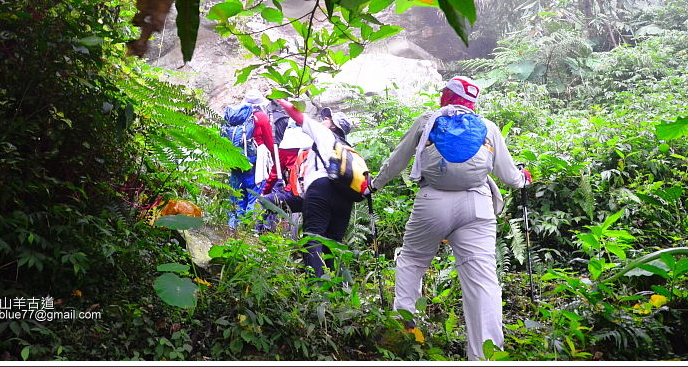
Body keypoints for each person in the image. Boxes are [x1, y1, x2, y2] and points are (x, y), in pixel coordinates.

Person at [369, 75, 531, 361]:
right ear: (473, 102)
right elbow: (509, 176)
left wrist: (373, 185)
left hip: (433, 201)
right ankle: (486, 356)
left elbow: (398, 160)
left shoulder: (427, 121)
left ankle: (407, 337)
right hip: (478, 206)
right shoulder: (489, 128)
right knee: (483, 281)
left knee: (413, 261)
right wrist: (522, 179)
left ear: (445, 96)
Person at [274, 99, 358, 278]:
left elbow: (298, 116)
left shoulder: (325, 134)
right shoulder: (349, 150)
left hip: (321, 188)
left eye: (328, 118)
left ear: (333, 126)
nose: (324, 119)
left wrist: (280, 99)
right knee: (332, 243)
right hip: (345, 197)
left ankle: (317, 289)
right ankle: (332, 289)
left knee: (313, 237)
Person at [227, 89, 275, 229]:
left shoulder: (235, 116)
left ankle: (233, 226)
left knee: (237, 191)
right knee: (254, 192)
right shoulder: (261, 117)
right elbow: (269, 141)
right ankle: (250, 229)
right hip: (254, 161)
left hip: (235, 159)